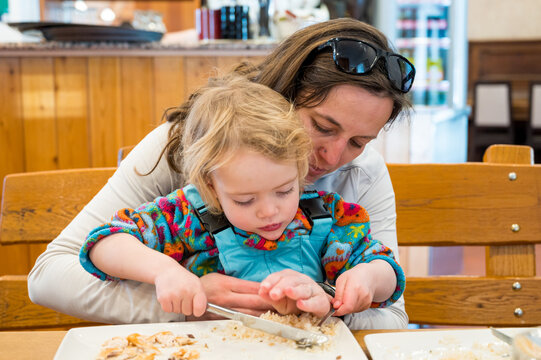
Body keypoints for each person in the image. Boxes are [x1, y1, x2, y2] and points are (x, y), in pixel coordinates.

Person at [28, 17, 415, 328]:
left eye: (358, 141)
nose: (332, 157)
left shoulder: (341, 204)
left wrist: (328, 302)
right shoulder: (189, 155)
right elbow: (52, 274)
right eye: (323, 127)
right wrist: (192, 302)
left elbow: (389, 309)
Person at [79, 76, 405, 319]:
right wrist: (164, 271)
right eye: (245, 200)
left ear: (300, 168)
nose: (270, 212)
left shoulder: (325, 217)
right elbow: (104, 242)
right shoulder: (187, 216)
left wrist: (366, 278)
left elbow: (384, 269)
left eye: (285, 190)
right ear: (210, 184)